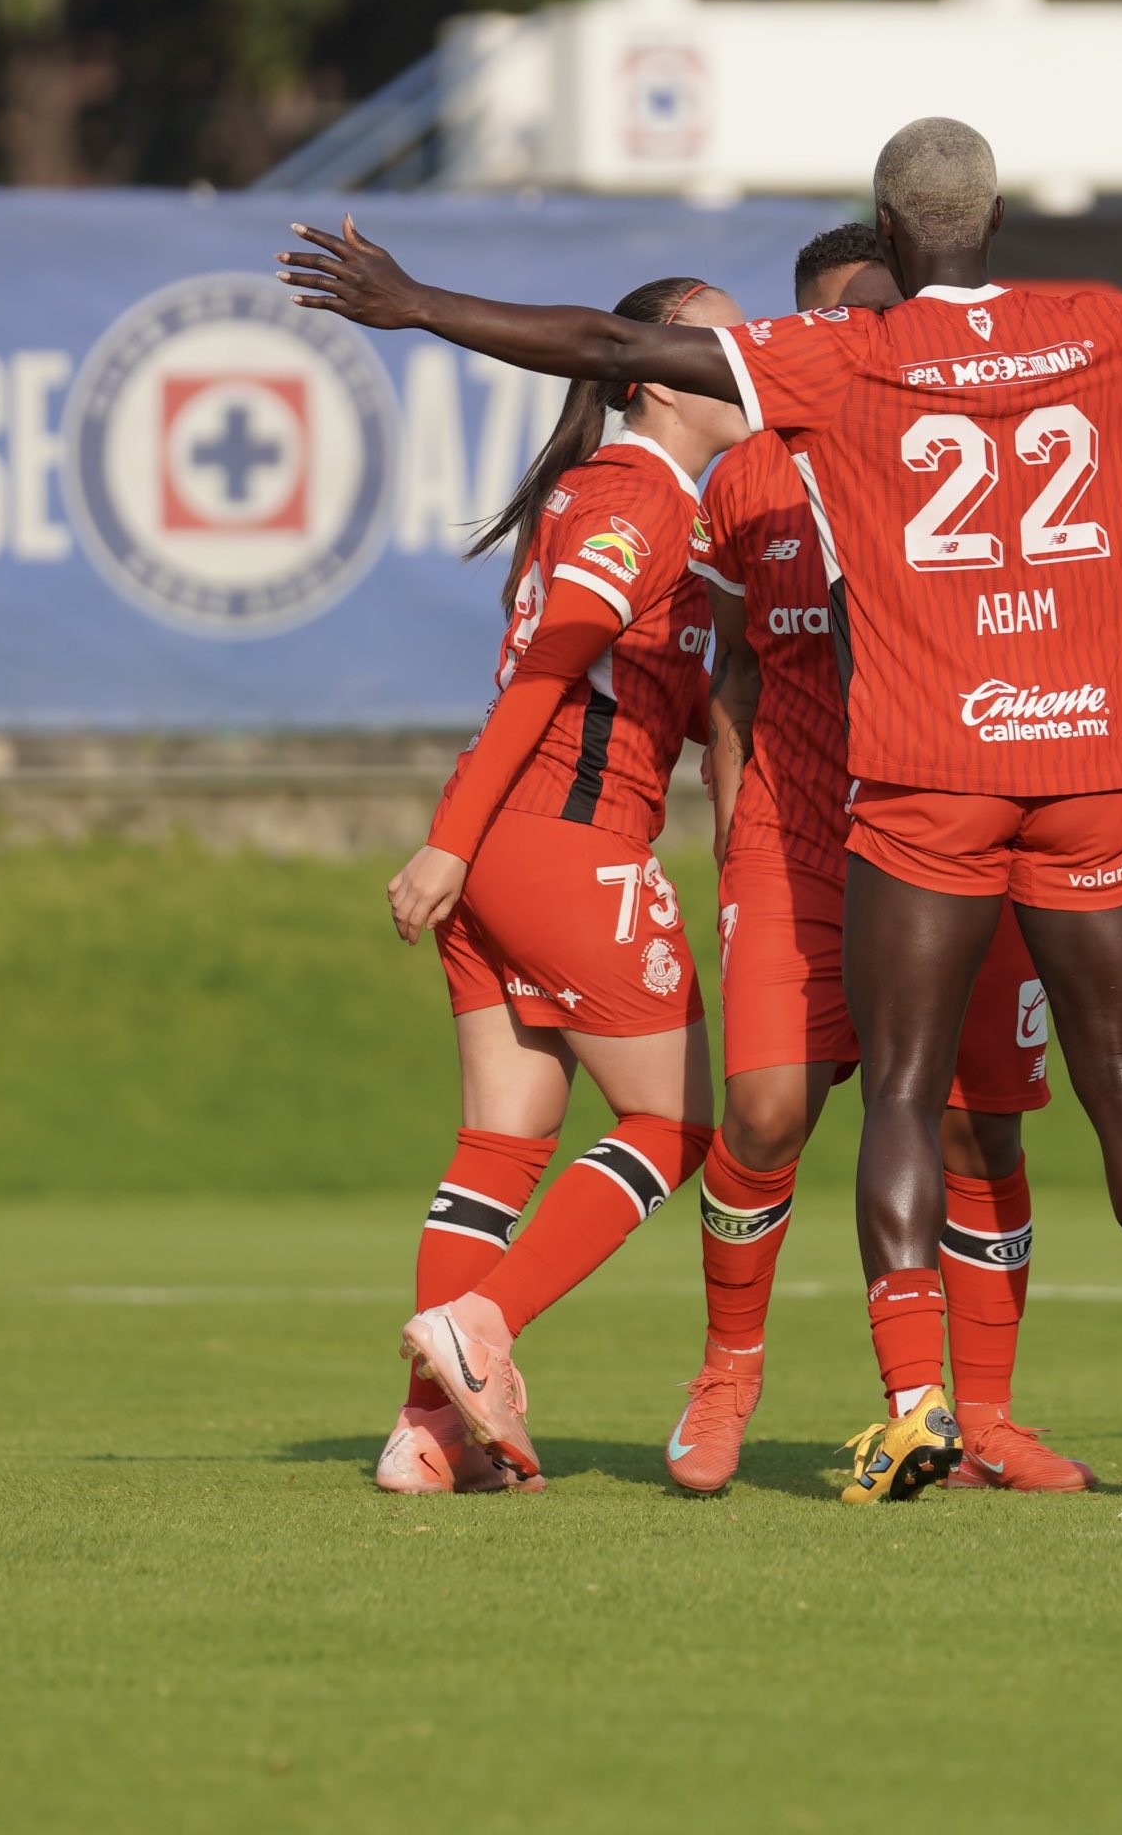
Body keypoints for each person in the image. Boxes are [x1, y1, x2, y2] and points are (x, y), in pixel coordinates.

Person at [278, 140, 1122, 1502]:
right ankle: (808, 1380)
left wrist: (420, 303)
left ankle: (954, 1412)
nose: (848, 330)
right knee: (847, 1103)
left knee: (954, 1109)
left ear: (895, 263)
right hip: (973, 792)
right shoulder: (1022, 356)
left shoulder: (849, 375)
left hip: (936, 790)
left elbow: (602, 342)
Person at [670, 221, 1122, 1496]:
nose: (893, 346)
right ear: (797, 338)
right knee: (770, 1110)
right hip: (800, 839)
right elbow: (733, 665)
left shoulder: (964, 437)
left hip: (966, 806)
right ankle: (728, 1372)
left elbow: (1053, 594)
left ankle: (980, 1416)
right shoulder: (746, 481)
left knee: (974, 1125)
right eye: (854, 320)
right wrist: (729, 819)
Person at [371, 275, 742, 1493]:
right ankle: (488, 1324)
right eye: (715, 334)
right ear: (648, 374)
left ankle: (428, 1436)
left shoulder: (649, 503)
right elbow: (546, 674)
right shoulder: (636, 498)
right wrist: (448, 837)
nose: (741, 353)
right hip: (558, 842)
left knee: (501, 1138)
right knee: (678, 1120)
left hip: (510, 849)